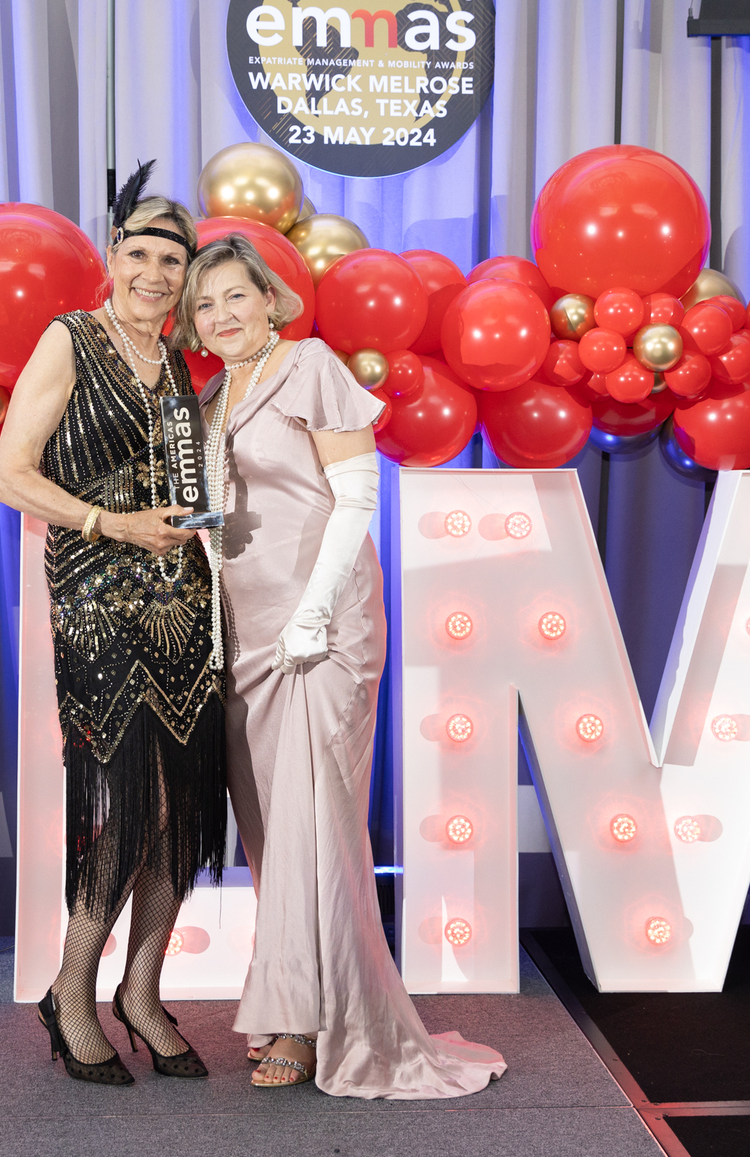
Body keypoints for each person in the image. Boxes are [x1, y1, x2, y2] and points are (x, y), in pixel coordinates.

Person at [175, 234, 506, 1098]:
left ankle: (304, 1021)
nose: (221, 314)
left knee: (315, 823)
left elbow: (357, 495)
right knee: (271, 828)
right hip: (245, 633)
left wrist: (314, 611)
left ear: (271, 298)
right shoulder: (211, 395)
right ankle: (302, 998)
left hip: (321, 626)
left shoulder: (311, 364)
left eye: (236, 295)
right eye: (204, 304)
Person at [0, 166, 225, 1086]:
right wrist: (110, 522)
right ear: (112, 257)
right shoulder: (71, 339)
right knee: (131, 807)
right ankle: (71, 990)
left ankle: (144, 992)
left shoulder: (180, 365)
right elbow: (12, 474)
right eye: (141, 254)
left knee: (183, 812)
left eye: (173, 260)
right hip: (98, 599)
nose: (155, 273)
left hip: (184, 605)